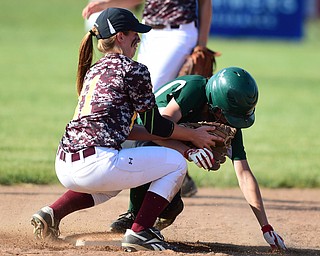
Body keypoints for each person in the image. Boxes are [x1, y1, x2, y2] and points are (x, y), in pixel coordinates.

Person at [30, 7, 223, 252]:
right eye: (134, 33)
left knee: (111, 186)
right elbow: (156, 125)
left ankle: (51, 214)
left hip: (65, 164)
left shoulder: (95, 70)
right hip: (97, 163)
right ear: (120, 36)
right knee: (175, 164)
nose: (138, 39)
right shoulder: (134, 70)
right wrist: (192, 137)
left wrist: (185, 145)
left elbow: (130, 130)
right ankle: (141, 231)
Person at [108, 67, 287, 252]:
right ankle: (134, 216)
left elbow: (244, 174)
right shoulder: (194, 89)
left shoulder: (229, 119)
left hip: (154, 143)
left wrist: (265, 227)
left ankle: (147, 219)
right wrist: (190, 145)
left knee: (171, 209)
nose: (232, 123)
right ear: (216, 107)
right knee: (157, 151)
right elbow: (156, 130)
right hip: (130, 138)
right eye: (230, 116)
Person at [82, 0, 214, 197]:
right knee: (136, 100)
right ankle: (162, 164)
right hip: (148, 32)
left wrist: (201, 45)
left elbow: (205, 3)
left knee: (149, 102)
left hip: (179, 33)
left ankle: (166, 167)